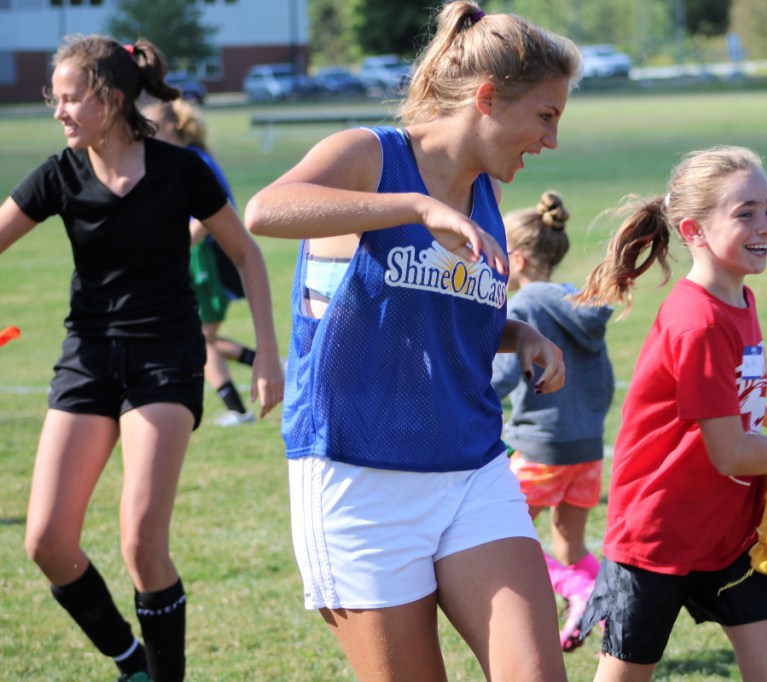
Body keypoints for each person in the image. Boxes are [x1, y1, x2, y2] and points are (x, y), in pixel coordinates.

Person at [243, 3, 580, 680]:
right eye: (545, 116)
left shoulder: (486, 193)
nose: (550, 140)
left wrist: (521, 334)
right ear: (486, 98)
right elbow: (266, 210)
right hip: (355, 475)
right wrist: (417, 207)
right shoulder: (373, 155)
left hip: (470, 470)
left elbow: (439, 313)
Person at [0, 36, 284, 681]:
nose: (59, 112)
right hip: (88, 359)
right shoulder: (58, 174)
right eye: (57, 100)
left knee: (140, 543)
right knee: (46, 541)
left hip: (165, 359)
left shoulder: (181, 171)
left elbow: (246, 253)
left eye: (71, 99)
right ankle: (132, 663)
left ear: (112, 99)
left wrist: (267, 354)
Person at [568, 146, 767, 681]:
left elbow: (711, 409)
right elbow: (731, 454)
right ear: (695, 230)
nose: (765, 225)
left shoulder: (738, 298)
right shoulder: (697, 319)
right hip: (657, 542)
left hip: (730, 538)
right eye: (744, 213)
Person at [491, 191, 614, 653]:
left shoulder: (524, 306)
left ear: (516, 258)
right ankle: (612, 609)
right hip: (585, 450)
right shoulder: (579, 302)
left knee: (502, 538)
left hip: (541, 449)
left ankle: (580, 593)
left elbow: (502, 377)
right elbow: (603, 377)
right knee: (571, 548)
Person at [143, 98, 260, 427]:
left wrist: (170, 253)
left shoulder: (194, 160)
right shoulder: (184, 158)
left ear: (169, 126)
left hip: (209, 255)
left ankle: (238, 409)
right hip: (201, 254)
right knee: (197, 335)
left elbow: (207, 220)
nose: (145, 135)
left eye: (150, 127)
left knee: (200, 338)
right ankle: (256, 368)